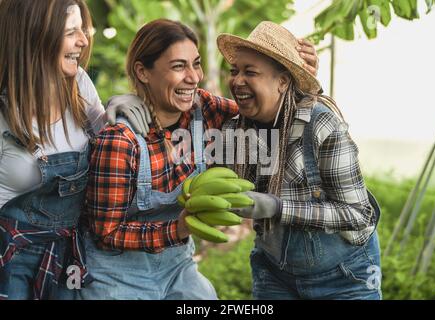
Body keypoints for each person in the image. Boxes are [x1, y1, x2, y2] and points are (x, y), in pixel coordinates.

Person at [78, 19, 321, 300]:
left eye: (196, 63)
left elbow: (267, 114)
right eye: (179, 66)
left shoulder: (204, 110)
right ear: (143, 72)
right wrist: (178, 228)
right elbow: (106, 232)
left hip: (178, 265)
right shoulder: (120, 140)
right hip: (116, 273)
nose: (194, 77)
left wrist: (300, 85)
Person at [217, 21, 382, 300]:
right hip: (275, 274)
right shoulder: (235, 131)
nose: (237, 80)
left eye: (250, 72)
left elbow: (357, 213)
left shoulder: (320, 124)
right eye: (235, 71)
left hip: (344, 276)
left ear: (282, 82)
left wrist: (276, 207)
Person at [0, 0, 149, 300]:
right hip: (11, 258)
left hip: (69, 255)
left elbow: (109, 147)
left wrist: (118, 109)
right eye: (71, 32)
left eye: (82, 30)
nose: (83, 41)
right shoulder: (4, 110)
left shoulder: (79, 84)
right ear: (35, 36)